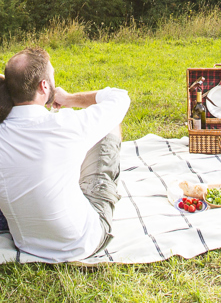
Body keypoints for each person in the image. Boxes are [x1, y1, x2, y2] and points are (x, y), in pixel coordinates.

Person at [0, 47, 130, 261]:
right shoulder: (67, 124)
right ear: (44, 86)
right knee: (110, 127)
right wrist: (70, 99)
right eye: (51, 77)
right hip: (82, 242)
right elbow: (119, 98)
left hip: (25, 242)